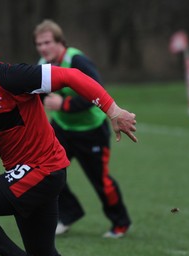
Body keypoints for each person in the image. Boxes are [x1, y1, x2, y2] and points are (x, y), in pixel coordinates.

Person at [0, 22, 137, 256]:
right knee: (44, 255)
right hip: (29, 173)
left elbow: (72, 76)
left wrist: (114, 111)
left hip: (44, 169)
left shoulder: (11, 77)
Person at [34, 19, 132, 238]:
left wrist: (64, 104)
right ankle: (69, 213)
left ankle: (120, 222)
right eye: (39, 44)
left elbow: (96, 92)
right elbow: (36, 97)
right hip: (62, 128)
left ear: (59, 42)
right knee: (44, 170)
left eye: (47, 42)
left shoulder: (76, 60)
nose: (43, 48)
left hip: (92, 131)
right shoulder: (42, 64)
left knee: (100, 180)